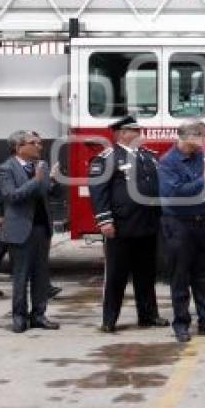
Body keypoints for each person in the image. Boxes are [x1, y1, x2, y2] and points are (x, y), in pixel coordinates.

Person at [88, 115, 168, 333]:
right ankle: (110, 319)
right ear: (122, 133)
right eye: (135, 130)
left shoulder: (148, 157)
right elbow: (98, 192)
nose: (139, 133)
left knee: (146, 273)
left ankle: (148, 315)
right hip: (121, 227)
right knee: (116, 275)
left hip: (147, 224)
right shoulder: (107, 157)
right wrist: (104, 220)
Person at [158, 120, 205, 343]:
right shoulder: (168, 162)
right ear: (187, 136)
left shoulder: (200, 156)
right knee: (180, 276)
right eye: (200, 135)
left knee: (204, 275)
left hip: (202, 222)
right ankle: (181, 324)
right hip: (179, 224)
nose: (203, 140)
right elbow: (176, 193)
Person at [0, 130, 61, 333]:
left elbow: (50, 193)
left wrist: (53, 181)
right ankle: (19, 317)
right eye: (35, 143)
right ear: (19, 147)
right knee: (21, 276)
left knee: (41, 276)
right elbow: (12, 196)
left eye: (40, 143)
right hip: (20, 229)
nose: (40, 146)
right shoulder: (5, 169)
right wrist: (36, 180)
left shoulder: (40, 166)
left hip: (41, 228)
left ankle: (39, 315)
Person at [0, 197, 62, 299]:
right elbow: (0, 189)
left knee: (0, 248)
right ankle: (44, 288)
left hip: (21, 214)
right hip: (15, 215)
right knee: (6, 249)